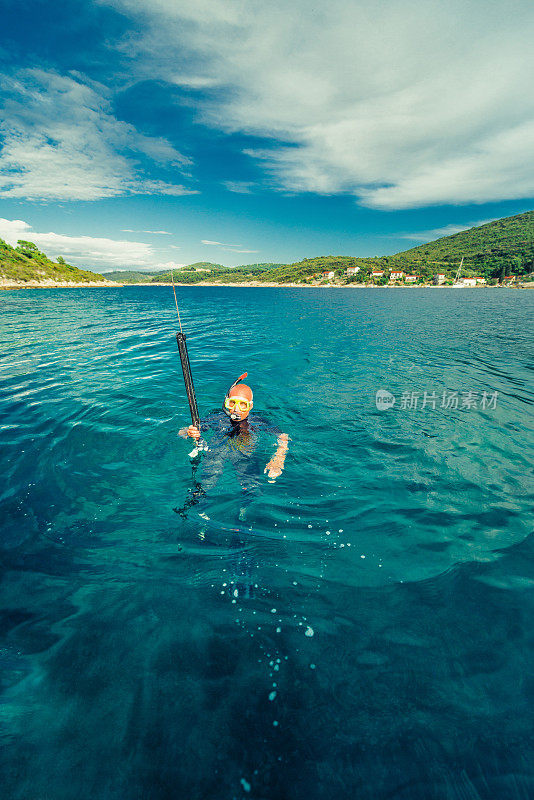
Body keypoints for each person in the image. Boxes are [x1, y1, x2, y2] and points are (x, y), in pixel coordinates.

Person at [177, 373, 289, 516]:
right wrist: (189, 431)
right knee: (206, 484)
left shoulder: (258, 421)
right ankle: (199, 509)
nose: (236, 409)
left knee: (254, 489)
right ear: (226, 402)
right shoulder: (216, 418)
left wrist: (278, 459)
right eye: (232, 403)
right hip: (217, 451)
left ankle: (244, 511)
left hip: (243, 454)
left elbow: (284, 437)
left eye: (243, 405)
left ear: (251, 406)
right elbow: (182, 432)